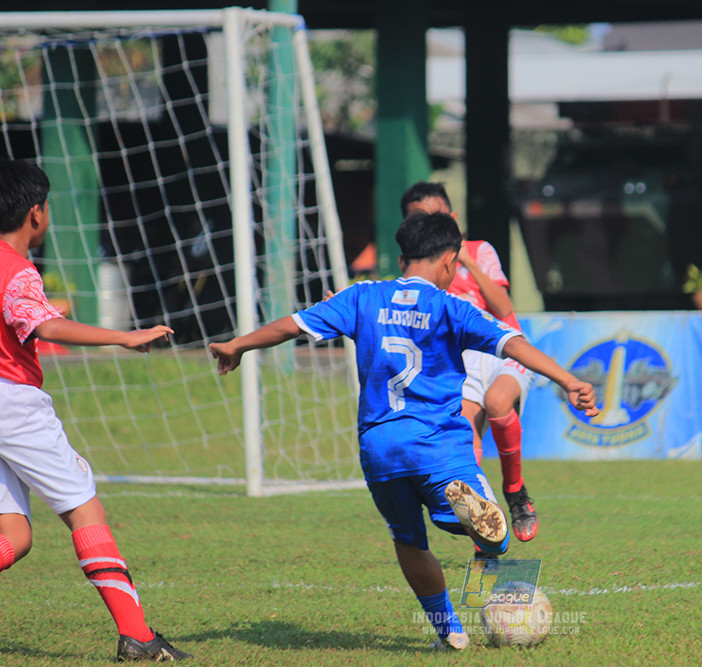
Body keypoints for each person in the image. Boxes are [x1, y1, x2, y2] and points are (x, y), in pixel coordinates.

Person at [209, 212, 597, 650]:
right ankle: (479, 519)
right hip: (437, 443)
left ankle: (449, 632)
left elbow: (292, 325)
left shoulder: (362, 296)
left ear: (401, 257)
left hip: (380, 447)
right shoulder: (452, 306)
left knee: (408, 541)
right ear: (451, 262)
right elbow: (512, 342)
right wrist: (569, 380)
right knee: (498, 539)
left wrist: (237, 344)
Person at [0, 159, 190, 662]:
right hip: (11, 403)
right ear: (36, 213)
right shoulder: (15, 270)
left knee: (14, 537)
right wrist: (125, 336)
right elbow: (45, 327)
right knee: (84, 506)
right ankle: (138, 636)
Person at [400, 182, 540, 544]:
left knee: (497, 404)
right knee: (465, 444)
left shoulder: (480, 250)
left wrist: (464, 259)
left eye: (436, 216)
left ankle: (516, 492)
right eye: (419, 219)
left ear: (454, 218)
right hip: (462, 363)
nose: (430, 224)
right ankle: (487, 533)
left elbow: (504, 308)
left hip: (505, 348)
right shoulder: (417, 268)